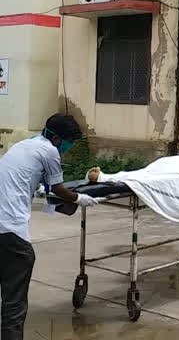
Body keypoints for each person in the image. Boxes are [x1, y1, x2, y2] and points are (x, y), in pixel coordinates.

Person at [0, 114, 101, 340]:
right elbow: (59, 190)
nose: (67, 147)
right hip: (9, 231)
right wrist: (79, 199)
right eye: (68, 143)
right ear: (56, 138)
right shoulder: (50, 152)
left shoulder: (24, 146)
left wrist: (37, 188)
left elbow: (23, 178)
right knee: (14, 302)